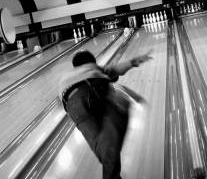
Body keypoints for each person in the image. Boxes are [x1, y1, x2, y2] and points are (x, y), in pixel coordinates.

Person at [58, 50, 153, 179]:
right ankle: (121, 104)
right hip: (93, 89)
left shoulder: (66, 77)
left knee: (104, 150)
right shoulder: (92, 68)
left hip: (73, 107)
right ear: (91, 62)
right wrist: (133, 61)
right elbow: (114, 69)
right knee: (115, 98)